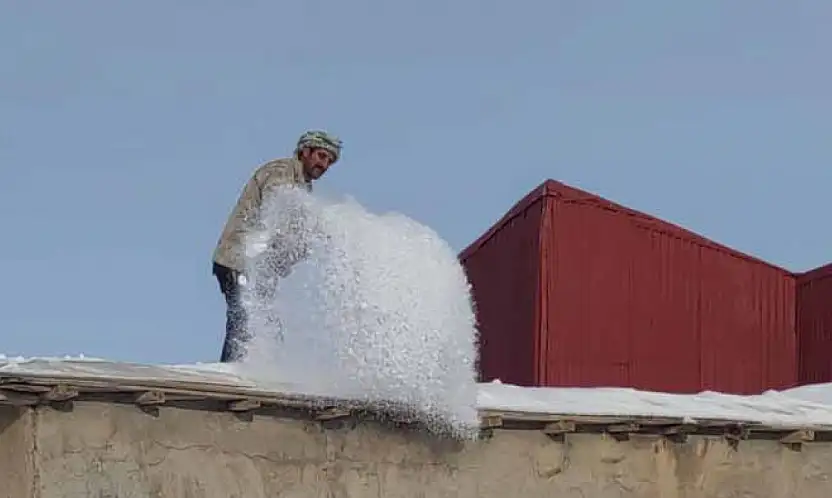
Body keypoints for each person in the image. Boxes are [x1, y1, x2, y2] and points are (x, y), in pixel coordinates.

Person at [212, 130, 343, 362]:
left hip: (260, 268)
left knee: (267, 326)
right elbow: (279, 211)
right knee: (245, 319)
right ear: (305, 151)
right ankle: (231, 373)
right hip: (240, 259)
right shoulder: (281, 172)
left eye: (329, 162)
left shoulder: (303, 187)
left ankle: (257, 372)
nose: (324, 165)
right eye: (321, 156)